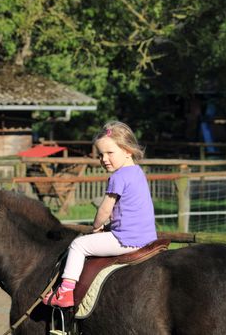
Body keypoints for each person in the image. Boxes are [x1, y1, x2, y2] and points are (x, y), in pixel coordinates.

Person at [43, 121, 157, 308]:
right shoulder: (137, 172)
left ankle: (65, 292)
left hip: (127, 239)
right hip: (146, 237)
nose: (104, 159)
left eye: (110, 153)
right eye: (101, 154)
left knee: (79, 245)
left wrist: (96, 226)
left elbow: (105, 209)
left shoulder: (118, 177)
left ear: (128, 151)